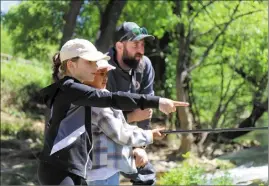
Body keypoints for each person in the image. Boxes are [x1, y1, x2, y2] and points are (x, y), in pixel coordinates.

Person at [37, 38, 189, 185]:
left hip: (72, 169)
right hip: (58, 170)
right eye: (90, 62)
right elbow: (112, 99)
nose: (95, 67)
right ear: (71, 65)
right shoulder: (70, 89)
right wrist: (157, 102)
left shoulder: (76, 92)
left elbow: (112, 113)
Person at [85, 64, 166, 185]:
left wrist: (145, 137)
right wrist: (149, 135)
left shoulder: (102, 97)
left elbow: (123, 127)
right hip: (100, 175)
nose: (105, 77)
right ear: (87, 76)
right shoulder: (97, 105)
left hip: (108, 171)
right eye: (101, 74)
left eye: (106, 74)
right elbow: (120, 134)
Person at [106, 21, 159, 185]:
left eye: (142, 44)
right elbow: (100, 118)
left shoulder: (145, 64)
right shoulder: (102, 68)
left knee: (146, 177)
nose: (141, 50)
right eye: (135, 44)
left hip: (129, 132)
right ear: (120, 46)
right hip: (99, 138)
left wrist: (140, 147)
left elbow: (146, 110)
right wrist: (131, 116)